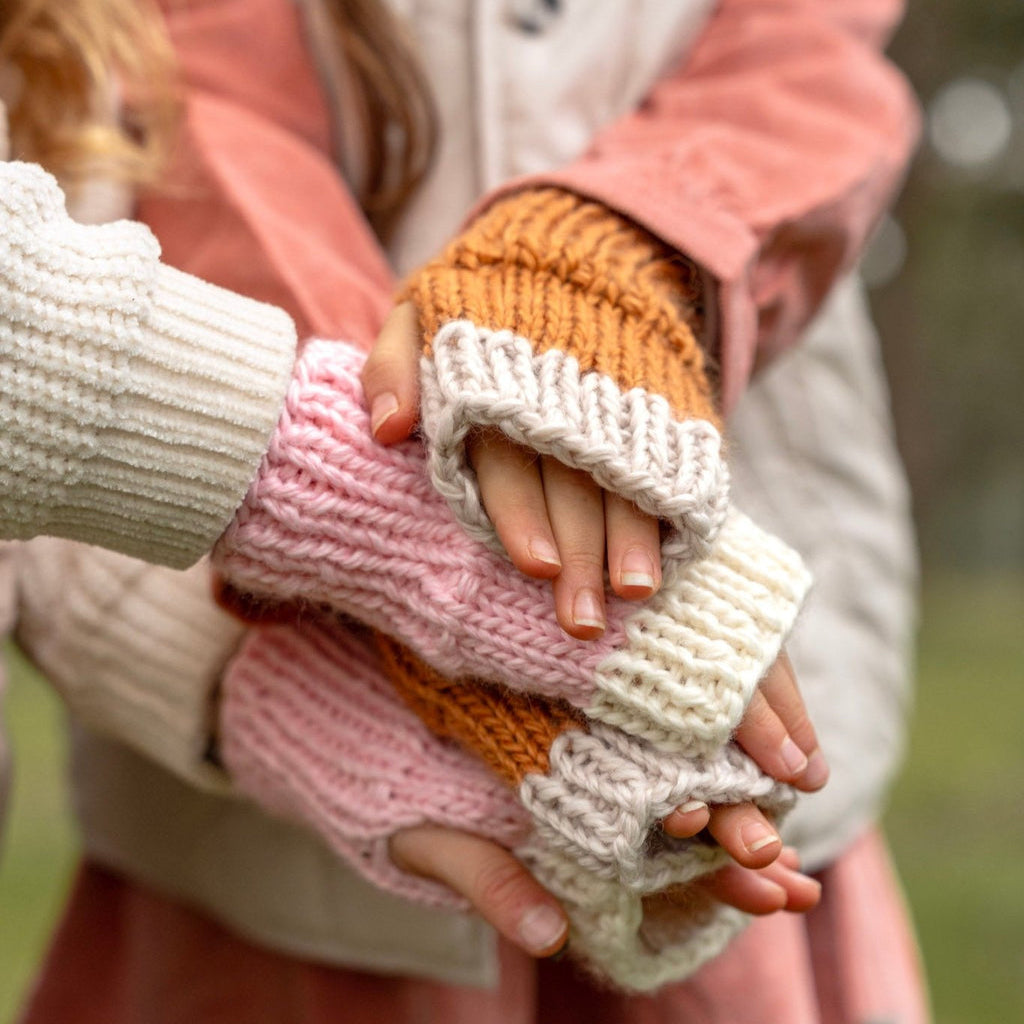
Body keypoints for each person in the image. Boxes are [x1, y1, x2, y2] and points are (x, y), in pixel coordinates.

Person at [0, 0, 928, 1020]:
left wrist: (623, 241)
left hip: (729, 749)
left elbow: (807, 56)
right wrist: (289, 656)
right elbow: (162, 142)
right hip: (252, 846)